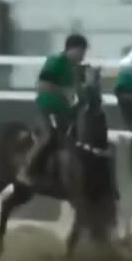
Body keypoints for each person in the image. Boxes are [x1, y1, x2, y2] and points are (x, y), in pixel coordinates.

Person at [17, 34, 89, 185]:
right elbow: (42, 85)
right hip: (46, 109)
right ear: (72, 49)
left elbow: (79, 90)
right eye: (81, 52)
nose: (83, 56)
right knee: (47, 136)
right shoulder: (55, 62)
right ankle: (25, 170)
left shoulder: (76, 68)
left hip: (65, 111)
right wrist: (63, 91)